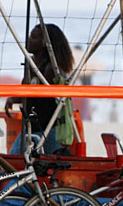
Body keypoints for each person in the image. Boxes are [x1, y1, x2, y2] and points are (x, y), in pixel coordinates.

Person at [5, 23, 74, 155]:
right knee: (15, 158)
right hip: (31, 126)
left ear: (44, 43)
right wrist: (13, 99)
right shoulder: (30, 64)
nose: (29, 39)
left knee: (42, 166)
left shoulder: (51, 69)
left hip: (49, 128)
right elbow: (26, 90)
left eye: (33, 37)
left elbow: (48, 96)